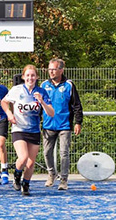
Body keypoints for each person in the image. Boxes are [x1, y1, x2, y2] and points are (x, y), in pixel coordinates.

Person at [1, 64, 54, 196]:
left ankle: (26, 184)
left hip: (34, 130)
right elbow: (3, 102)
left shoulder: (41, 92)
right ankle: (17, 175)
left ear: (36, 77)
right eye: (28, 75)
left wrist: (42, 102)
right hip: (19, 128)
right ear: (24, 77)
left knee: (31, 163)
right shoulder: (17, 90)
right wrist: (9, 114)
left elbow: (51, 113)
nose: (30, 78)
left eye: (33, 75)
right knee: (23, 157)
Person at [41, 58, 83, 190]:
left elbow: (77, 105)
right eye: (50, 69)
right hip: (48, 125)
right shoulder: (43, 85)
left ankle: (64, 179)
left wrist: (78, 122)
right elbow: (38, 105)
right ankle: (51, 173)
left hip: (65, 125)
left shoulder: (69, 85)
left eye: (54, 69)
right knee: (47, 152)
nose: (51, 72)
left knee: (64, 152)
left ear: (61, 70)